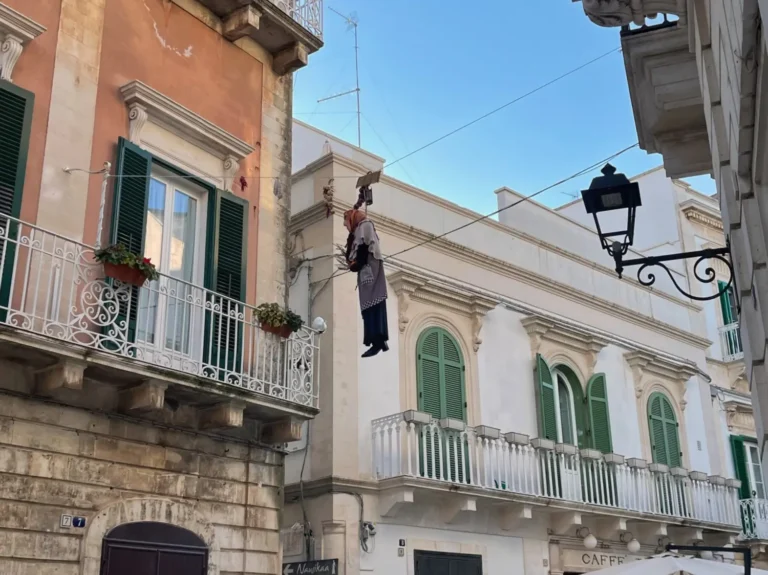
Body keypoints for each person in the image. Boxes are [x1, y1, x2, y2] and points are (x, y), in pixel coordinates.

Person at [345, 207, 389, 357]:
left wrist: (356, 264)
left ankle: (378, 340)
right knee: (369, 308)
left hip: (370, 273)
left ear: (351, 218)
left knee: (373, 306)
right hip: (367, 275)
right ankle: (377, 341)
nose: (345, 225)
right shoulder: (359, 230)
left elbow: (363, 248)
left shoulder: (365, 226)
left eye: (345, 221)